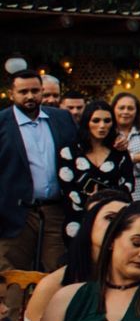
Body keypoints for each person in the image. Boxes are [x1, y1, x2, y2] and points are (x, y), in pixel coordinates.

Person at [1, 68, 79, 273]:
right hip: (14, 214)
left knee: (58, 271)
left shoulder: (62, 119)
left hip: (55, 210)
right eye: (23, 91)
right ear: (12, 94)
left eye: (35, 90)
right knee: (12, 276)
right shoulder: (2, 123)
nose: (30, 96)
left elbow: (83, 151)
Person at [59, 100, 135, 239]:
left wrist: (106, 201)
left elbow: (129, 183)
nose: (102, 126)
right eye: (96, 120)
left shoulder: (119, 151)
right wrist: (90, 202)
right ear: (87, 122)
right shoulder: (70, 151)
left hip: (113, 219)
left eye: (107, 121)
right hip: (78, 220)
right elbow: (66, 186)